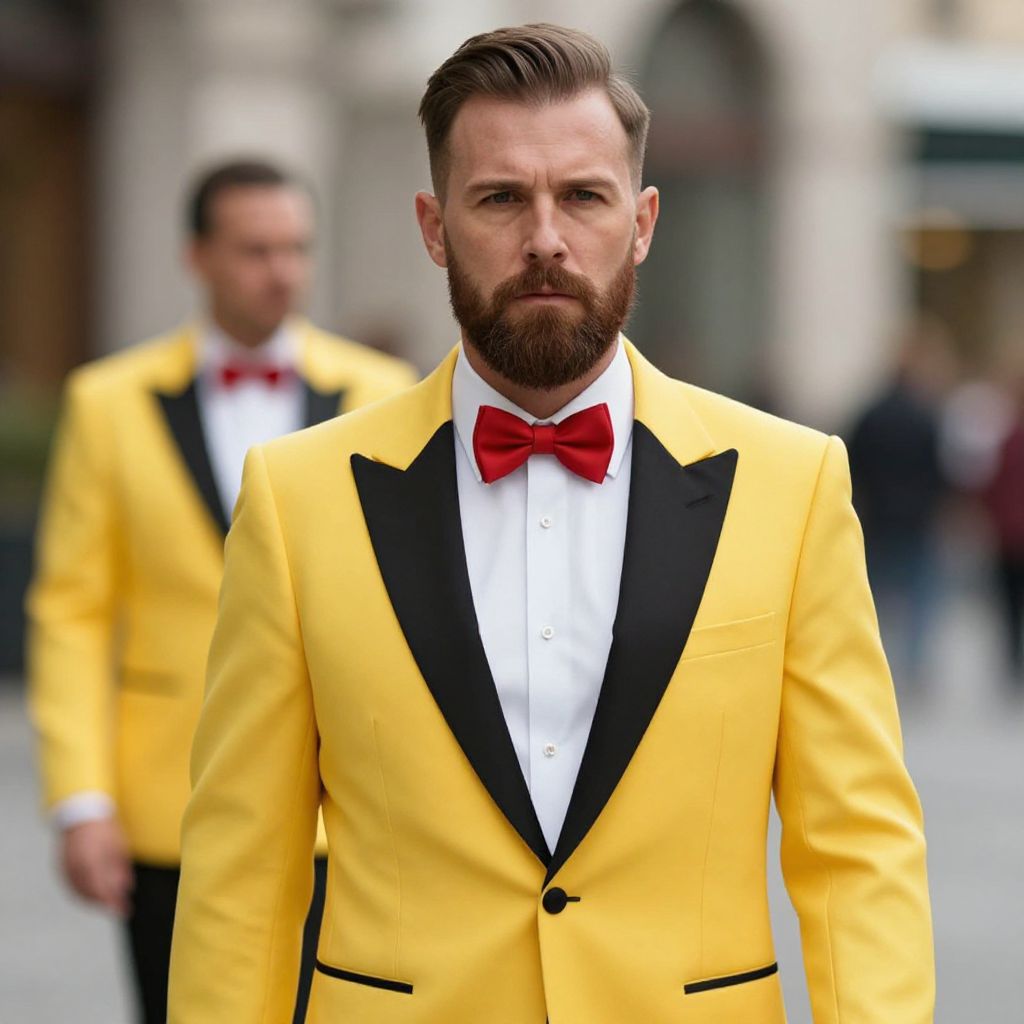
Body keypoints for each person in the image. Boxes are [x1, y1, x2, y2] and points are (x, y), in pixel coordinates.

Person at [168, 27, 934, 1023]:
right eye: (499, 198)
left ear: (643, 219)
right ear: (434, 226)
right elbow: (243, 870)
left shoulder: (791, 486)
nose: (545, 239)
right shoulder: (296, 496)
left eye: (582, 195)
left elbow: (857, 849)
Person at [26, 158, 416, 1024]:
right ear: (196, 256)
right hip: (171, 807)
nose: (281, 270)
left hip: (352, 808)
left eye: (296, 249)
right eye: (254, 249)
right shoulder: (106, 402)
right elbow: (72, 614)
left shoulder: (387, 398)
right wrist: (81, 800)